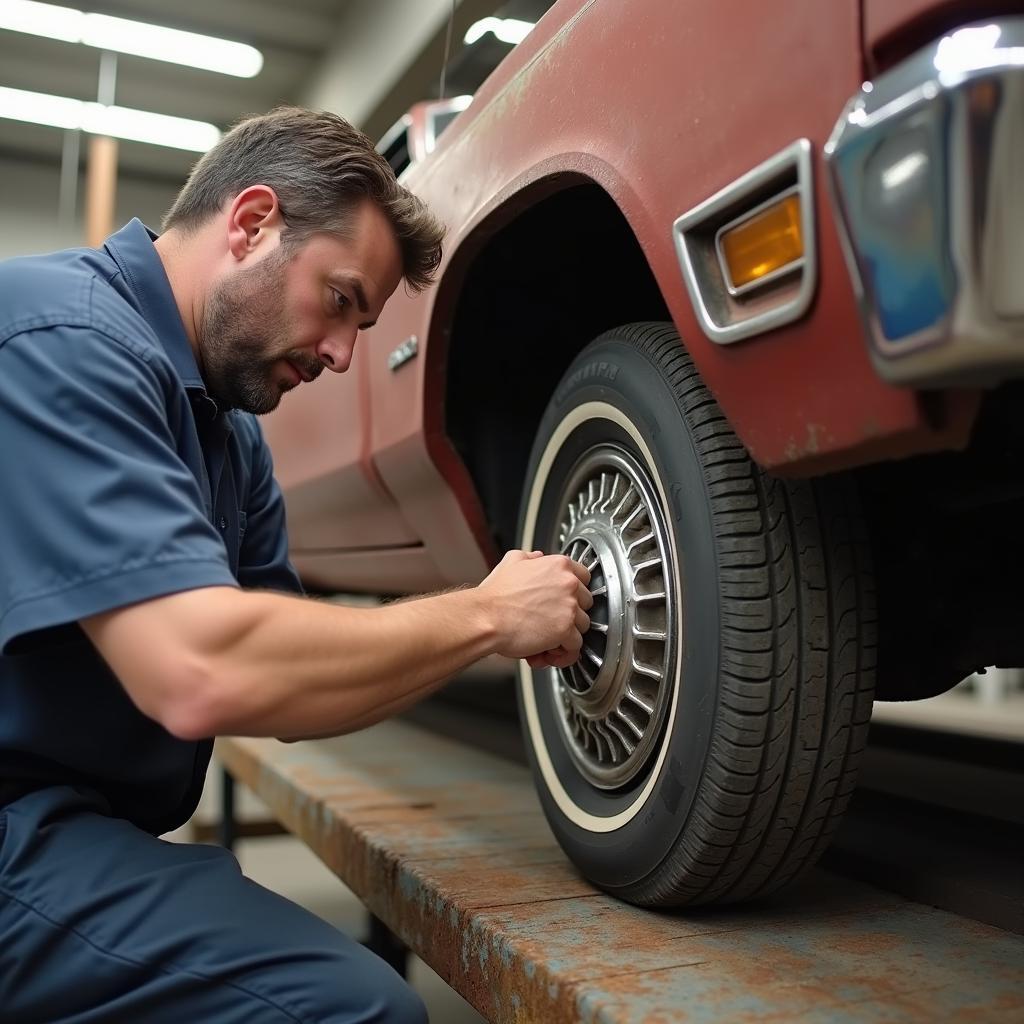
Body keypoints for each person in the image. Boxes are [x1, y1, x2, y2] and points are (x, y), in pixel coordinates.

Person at [0, 107, 592, 1023]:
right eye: (342, 300)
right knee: (355, 1011)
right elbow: (204, 670)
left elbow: (289, 693)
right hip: (15, 831)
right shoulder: (62, 340)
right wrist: (484, 616)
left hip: (72, 825)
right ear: (252, 223)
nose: (343, 354)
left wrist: (472, 631)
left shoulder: (233, 438)